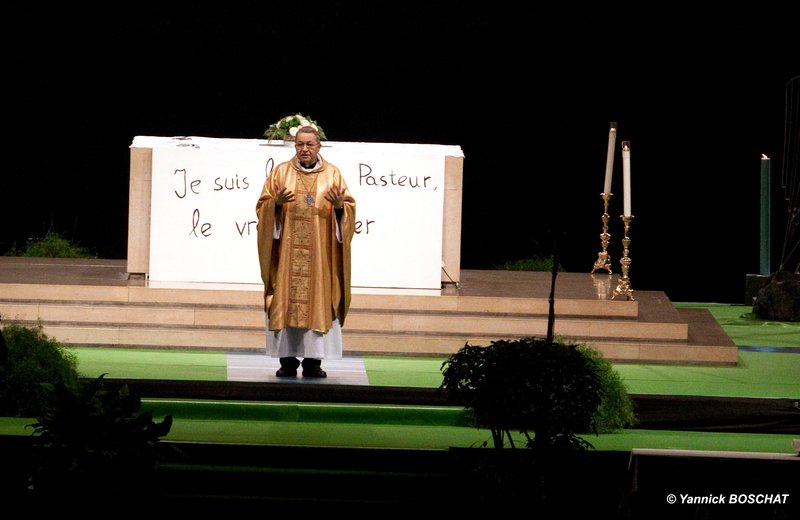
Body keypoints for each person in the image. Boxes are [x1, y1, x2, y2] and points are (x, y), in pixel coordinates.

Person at [255, 126, 356, 378]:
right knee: (284, 301)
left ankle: (313, 362)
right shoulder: (281, 172)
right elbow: (262, 207)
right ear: (295, 146)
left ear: (319, 146)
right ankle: (287, 361)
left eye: (310, 144)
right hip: (286, 256)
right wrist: (275, 205)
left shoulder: (333, 174)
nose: (304, 149)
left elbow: (348, 210)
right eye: (300, 144)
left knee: (318, 302)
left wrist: (340, 207)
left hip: (320, 257)